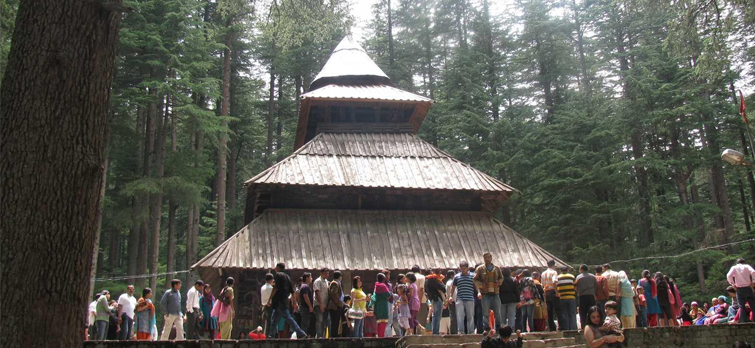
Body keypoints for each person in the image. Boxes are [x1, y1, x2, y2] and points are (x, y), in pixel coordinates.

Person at [268, 263, 307, 339]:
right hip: (284, 301)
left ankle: (300, 332)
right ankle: (271, 335)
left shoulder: (278, 275)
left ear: (278, 268)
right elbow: (292, 292)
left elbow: (275, 288)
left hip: (279, 301)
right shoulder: (288, 277)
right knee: (274, 319)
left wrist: (269, 299)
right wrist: (294, 302)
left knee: (288, 318)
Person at [474, 252, 503, 335]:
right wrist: (482, 285)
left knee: (497, 312)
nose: (487, 259)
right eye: (486, 257)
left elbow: (501, 278)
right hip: (485, 293)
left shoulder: (497, 268)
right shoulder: (480, 269)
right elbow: (475, 280)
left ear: (491, 258)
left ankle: (498, 328)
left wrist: (498, 283)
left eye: (489, 257)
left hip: (495, 293)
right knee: (485, 313)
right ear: (483, 258)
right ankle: (486, 329)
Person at [450, 261, 476, 334]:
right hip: (460, 298)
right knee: (460, 315)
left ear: (467, 268)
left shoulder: (473, 276)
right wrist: (450, 296)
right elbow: (453, 287)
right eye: (462, 268)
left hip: (470, 298)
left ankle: (471, 331)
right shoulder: (457, 276)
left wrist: (479, 292)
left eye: (464, 268)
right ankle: (460, 331)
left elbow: (477, 286)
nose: (463, 270)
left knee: (470, 316)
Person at [727, 258, 755, 323]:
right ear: (744, 262)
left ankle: (743, 321)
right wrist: (753, 282)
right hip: (748, 287)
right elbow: (753, 272)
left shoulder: (734, 267)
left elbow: (729, 275)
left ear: (737, 263)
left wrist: (733, 284)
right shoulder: (747, 266)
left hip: (739, 289)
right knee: (753, 305)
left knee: (741, 306)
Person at [541, 260, 561, 331]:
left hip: (546, 292)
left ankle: (552, 327)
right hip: (553, 292)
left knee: (549, 311)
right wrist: (557, 292)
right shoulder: (554, 272)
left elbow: (542, 284)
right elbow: (554, 282)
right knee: (558, 310)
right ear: (554, 265)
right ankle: (561, 326)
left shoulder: (543, 273)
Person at [425, 269, 447, 334]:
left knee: (436, 316)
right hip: (436, 299)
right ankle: (435, 332)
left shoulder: (428, 281)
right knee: (437, 316)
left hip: (434, 299)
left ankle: (435, 331)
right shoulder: (432, 280)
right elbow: (442, 288)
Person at [575, 264, 597, 329]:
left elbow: (576, 287)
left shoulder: (578, 277)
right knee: (592, 311)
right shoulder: (593, 277)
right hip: (591, 296)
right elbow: (595, 286)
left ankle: (583, 327)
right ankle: (593, 325)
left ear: (581, 269)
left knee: (583, 312)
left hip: (582, 296)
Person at [371, 273, 392, 337]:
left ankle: (379, 336)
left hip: (377, 305)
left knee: (379, 322)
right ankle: (381, 337)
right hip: (383, 306)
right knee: (383, 322)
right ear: (383, 279)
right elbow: (388, 295)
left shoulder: (376, 286)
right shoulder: (383, 286)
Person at [327, 270, 345, 338]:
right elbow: (334, 295)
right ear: (340, 277)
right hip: (335, 306)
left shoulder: (338, 283)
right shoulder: (335, 283)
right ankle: (333, 336)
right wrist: (340, 303)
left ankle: (335, 335)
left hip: (338, 305)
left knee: (337, 322)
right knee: (334, 322)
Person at [313, 268, 330, 338]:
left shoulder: (326, 282)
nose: (327, 275)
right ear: (321, 273)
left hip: (326, 304)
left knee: (324, 322)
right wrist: (320, 304)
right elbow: (317, 292)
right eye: (325, 273)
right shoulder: (318, 281)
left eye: (328, 273)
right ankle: (319, 336)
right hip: (319, 304)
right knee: (319, 320)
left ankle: (323, 336)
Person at [411, 265, 426, 334]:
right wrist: (419, 301)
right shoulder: (421, 277)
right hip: (421, 300)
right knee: (421, 319)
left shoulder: (409, 277)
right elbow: (421, 289)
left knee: (412, 318)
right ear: (419, 270)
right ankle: (420, 336)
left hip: (411, 301)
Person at [446, 270, 458, 334]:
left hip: (450, 301)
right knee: (454, 316)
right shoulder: (452, 282)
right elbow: (455, 293)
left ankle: (453, 331)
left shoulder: (447, 282)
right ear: (452, 275)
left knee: (452, 316)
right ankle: (454, 331)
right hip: (454, 301)